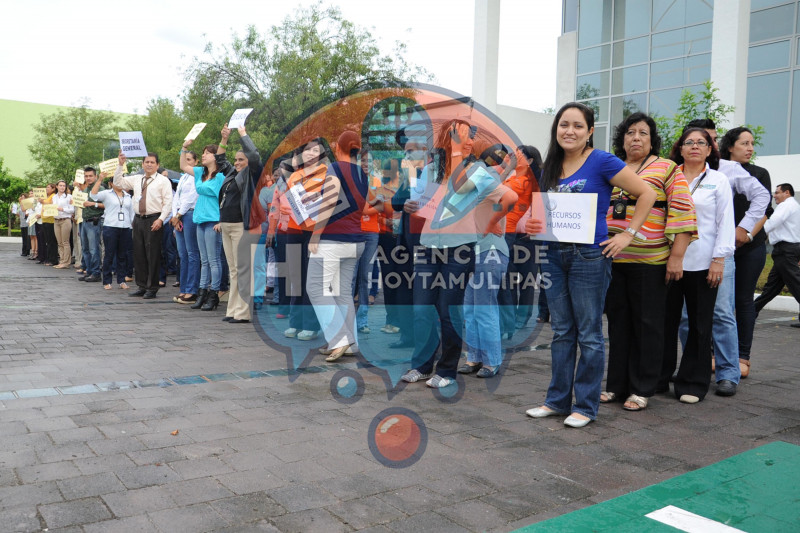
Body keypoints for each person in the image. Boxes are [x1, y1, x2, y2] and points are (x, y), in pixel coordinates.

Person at [524, 102, 656, 428]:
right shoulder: (550, 165)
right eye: (564, 124)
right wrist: (531, 222)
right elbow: (540, 212)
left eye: (577, 126)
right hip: (552, 254)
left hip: (589, 257)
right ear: (556, 129)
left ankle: (585, 406)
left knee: (589, 334)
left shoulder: (602, 161)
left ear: (590, 131)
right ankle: (556, 401)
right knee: (561, 331)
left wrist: (627, 234)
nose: (569, 131)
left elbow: (647, 194)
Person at [400, 119, 507, 388]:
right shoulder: (430, 169)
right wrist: (412, 206)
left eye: (470, 136)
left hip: (459, 249)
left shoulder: (476, 169)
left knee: (449, 311)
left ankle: (447, 370)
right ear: (447, 138)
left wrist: (490, 223)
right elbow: (421, 204)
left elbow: (506, 198)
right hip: (428, 246)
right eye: (462, 135)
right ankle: (422, 366)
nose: (469, 140)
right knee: (422, 310)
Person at [601, 112, 697, 411]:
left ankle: (642, 388)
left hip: (651, 260)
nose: (636, 138)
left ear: (652, 140)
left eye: (643, 133)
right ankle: (616, 385)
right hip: (612, 259)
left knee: (648, 325)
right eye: (630, 132)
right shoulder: (611, 166)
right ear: (622, 139)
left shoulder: (667, 168)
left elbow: (683, 213)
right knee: (618, 324)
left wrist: (676, 257)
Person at [659, 128, 735, 403]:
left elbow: (725, 222)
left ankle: (692, 381)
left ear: (709, 149)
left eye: (701, 142)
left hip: (703, 263)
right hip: (666, 261)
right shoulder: (669, 177)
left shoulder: (718, 180)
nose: (694, 146)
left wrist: (719, 260)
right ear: (680, 148)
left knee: (700, 325)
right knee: (664, 323)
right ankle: (659, 377)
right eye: (688, 142)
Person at [307, 131, 371, 361]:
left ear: (337, 147)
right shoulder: (363, 174)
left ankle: (340, 339)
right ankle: (350, 343)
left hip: (333, 239)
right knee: (342, 293)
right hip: (355, 241)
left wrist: (316, 234)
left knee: (315, 288)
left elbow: (330, 200)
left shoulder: (335, 168)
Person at [459, 144, 518, 378]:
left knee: (484, 309)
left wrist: (493, 222)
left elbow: (511, 197)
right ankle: (474, 357)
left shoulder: (484, 175)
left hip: (490, 251)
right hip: (476, 252)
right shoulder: (483, 176)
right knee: (470, 309)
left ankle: (491, 361)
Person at [719, 126, 773, 379]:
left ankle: (742, 356)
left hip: (750, 245)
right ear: (730, 146)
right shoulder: (717, 170)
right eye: (744, 143)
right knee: (719, 304)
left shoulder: (759, 173)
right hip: (721, 246)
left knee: (743, 300)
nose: (750, 148)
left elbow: (764, 210)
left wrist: (746, 234)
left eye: (752, 144)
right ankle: (714, 354)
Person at [214, 124, 263, 324]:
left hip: (243, 227)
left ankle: (243, 312)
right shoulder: (232, 174)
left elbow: (255, 156)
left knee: (244, 270)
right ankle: (233, 310)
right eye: (235, 159)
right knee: (233, 270)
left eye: (241, 159)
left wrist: (243, 134)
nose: (237, 162)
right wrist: (224, 139)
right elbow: (220, 160)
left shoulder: (252, 174)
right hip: (227, 226)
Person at [281, 139, 327, 340]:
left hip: (314, 231)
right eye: (307, 149)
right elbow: (288, 200)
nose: (311, 153)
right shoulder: (294, 175)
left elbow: (328, 202)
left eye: (315, 150)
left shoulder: (327, 174)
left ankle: (311, 324)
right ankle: (295, 322)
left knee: (311, 278)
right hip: (294, 229)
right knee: (295, 276)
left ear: (321, 154)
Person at [180, 130, 229, 310]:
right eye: (203, 153)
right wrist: (184, 148)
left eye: (207, 153)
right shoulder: (200, 172)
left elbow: (225, 199)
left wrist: (224, 139)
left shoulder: (222, 174)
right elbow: (183, 166)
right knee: (204, 259)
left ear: (215, 156)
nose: (203, 155)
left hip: (213, 219)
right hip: (200, 218)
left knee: (214, 259)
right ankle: (202, 292)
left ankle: (214, 293)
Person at [497, 145, 542, 338]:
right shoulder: (512, 178)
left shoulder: (534, 181)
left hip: (528, 238)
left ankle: (522, 318)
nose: (513, 157)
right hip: (508, 236)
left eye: (519, 155)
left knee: (527, 281)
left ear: (530, 161)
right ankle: (510, 319)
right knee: (507, 279)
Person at [114, 151, 174, 299]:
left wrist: (161, 219)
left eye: (152, 162)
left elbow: (168, 202)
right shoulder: (137, 178)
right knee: (139, 253)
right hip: (138, 219)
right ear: (142, 164)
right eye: (146, 162)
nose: (149, 164)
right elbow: (118, 182)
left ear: (157, 165)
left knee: (152, 254)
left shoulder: (163, 181)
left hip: (154, 219)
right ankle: (141, 285)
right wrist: (120, 165)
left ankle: (152, 287)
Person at [754, 184, 800, 313]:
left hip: (785, 251)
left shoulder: (786, 205)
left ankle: (751, 313)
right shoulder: (795, 206)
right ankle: (752, 312)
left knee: (796, 284)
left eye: (777, 192)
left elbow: (772, 222)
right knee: (771, 288)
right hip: (788, 250)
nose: (774, 196)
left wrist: (754, 234)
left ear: (787, 193)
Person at [90, 172, 133, 289]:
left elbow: (131, 213)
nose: (119, 183)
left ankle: (121, 280)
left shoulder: (128, 196)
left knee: (122, 255)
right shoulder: (107, 194)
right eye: (116, 181)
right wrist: (99, 180)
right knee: (109, 254)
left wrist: (131, 226)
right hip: (111, 227)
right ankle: (107, 281)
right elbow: (93, 195)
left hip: (125, 227)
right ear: (111, 183)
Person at [171, 151, 201, 304]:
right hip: (179, 216)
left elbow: (191, 198)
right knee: (182, 254)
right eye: (185, 159)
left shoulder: (198, 176)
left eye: (189, 160)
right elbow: (176, 197)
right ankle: (183, 288)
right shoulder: (183, 177)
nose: (187, 162)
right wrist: (174, 216)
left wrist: (179, 214)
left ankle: (192, 290)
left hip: (189, 214)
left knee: (192, 253)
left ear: (196, 162)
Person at [79, 167, 104, 282]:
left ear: (95, 176)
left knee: (94, 249)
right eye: (86, 176)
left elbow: (106, 205)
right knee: (85, 249)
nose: (88, 178)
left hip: (94, 221)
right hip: (85, 221)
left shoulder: (101, 188)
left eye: (90, 176)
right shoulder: (85, 189)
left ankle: (96, 272)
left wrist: (92, 204)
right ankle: (89, 271)